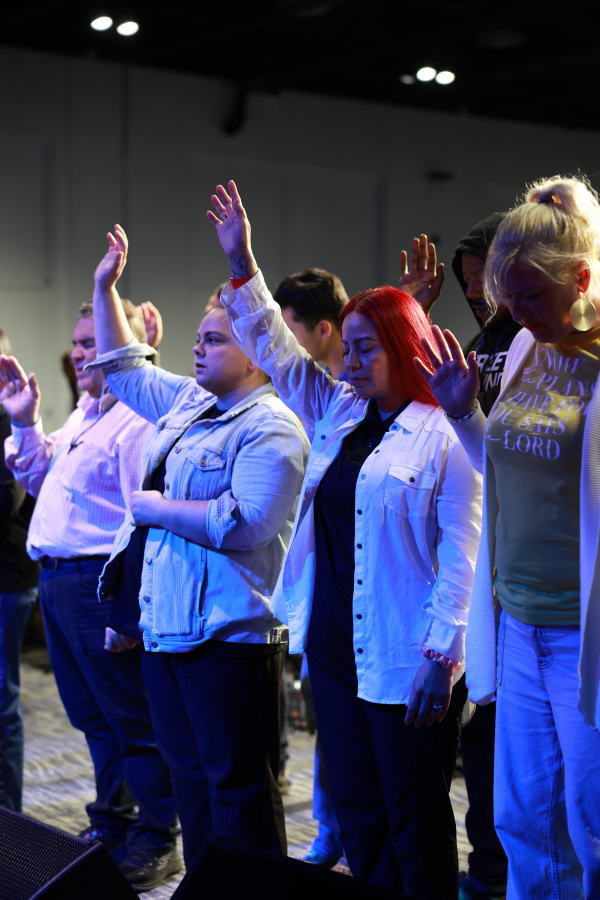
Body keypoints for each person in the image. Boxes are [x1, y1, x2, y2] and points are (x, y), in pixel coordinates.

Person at [207, 180, 483, 899]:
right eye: (348, 349)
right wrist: (242, 263)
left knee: (415, 818)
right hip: (334, 649)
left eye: (365, 350)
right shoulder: (340, 411)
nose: (350, 363)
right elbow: (278, 349)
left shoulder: (445, 432)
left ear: (401, 348)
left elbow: (463, 551)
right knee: (360, 817)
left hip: (404, 652)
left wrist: (443, 656)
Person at [90, 224, 309, 868]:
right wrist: (105, 289)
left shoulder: (273, 424)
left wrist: (156, 508)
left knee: (238, 790)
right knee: (190, 780)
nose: (198, 347)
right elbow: (124, 369)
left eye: (215, 339)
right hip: (169, 632)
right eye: (198, 337)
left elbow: (247, 522)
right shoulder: (190, 402)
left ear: (256, 354)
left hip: (229, 639)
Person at [415, 174, 600, 900]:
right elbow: (503, 468)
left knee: (591, 824)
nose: (515, 314)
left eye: (530, 295)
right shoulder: (527, 345)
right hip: (519, 620)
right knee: (524, 821)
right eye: (506, 297)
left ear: (580, 276)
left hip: (583, 634)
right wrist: (464, 413)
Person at [0, 302, 180, 892]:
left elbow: (143, 520)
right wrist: (26, 423)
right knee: (94, 720)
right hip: (58, 580)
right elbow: (34, 478)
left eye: (92, 343)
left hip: (98, 583)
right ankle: (113, 822)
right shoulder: (85, 414)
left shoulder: (136, 420)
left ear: (122, 349)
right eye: (77, 343)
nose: (79, 353)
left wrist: (128, 608)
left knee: (132, 721)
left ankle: (157, 837)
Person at [0, 329, 39, 813]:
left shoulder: (11, 419)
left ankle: (8, 820)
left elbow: (7, 500)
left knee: (1, 707)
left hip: (7, 581)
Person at [274, 269, 348, 379]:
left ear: (323, 330)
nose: (282, 344)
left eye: (289, 334)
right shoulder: (326, 383)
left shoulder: (363, 388)